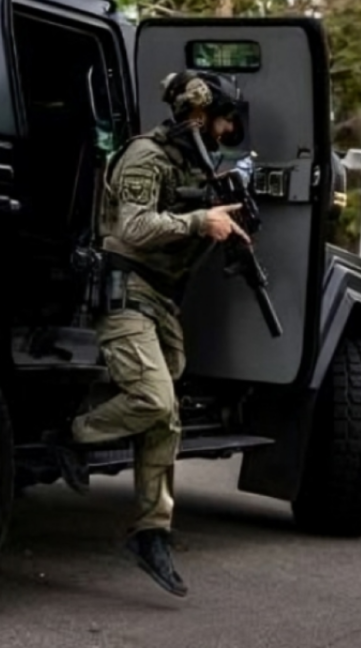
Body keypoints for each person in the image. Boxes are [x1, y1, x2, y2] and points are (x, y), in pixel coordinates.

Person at [44, 69, 252, 598]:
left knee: (169, 417)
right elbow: (134, 228)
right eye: (225, 121)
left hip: (159, 298)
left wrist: (221, 226)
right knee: (154, 400)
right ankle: (71, 434)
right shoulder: (145, 156)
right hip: (126, 291)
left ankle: (151, 531)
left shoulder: (191, 162)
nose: (228, 132)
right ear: (200, 115)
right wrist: (200, 222)